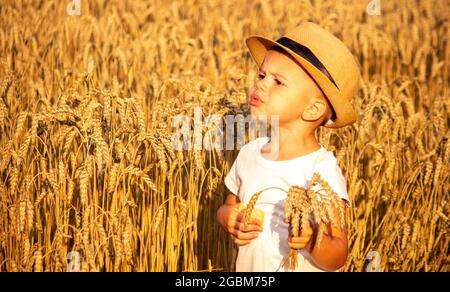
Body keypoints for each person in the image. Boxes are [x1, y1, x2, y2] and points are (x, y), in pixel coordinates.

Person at [216, 22, 361, 272]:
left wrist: (312, 241)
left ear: (313, 109)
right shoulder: (249, 153)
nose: (260, 84)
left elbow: (339, 253)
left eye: (278, 82)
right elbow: (229, 205)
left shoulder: (320, 171)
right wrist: (229, 218)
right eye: (262, 76)